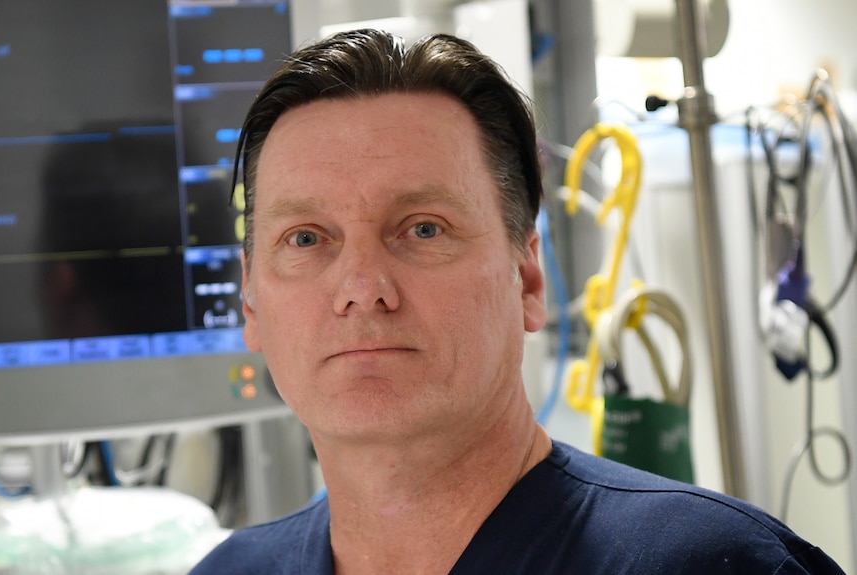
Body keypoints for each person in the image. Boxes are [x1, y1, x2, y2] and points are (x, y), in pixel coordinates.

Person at [190, 29, 845, 574]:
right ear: (250, 300)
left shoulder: (711, 564)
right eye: (306, 237)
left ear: (527, 277)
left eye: (423, 228)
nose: (363, 286)